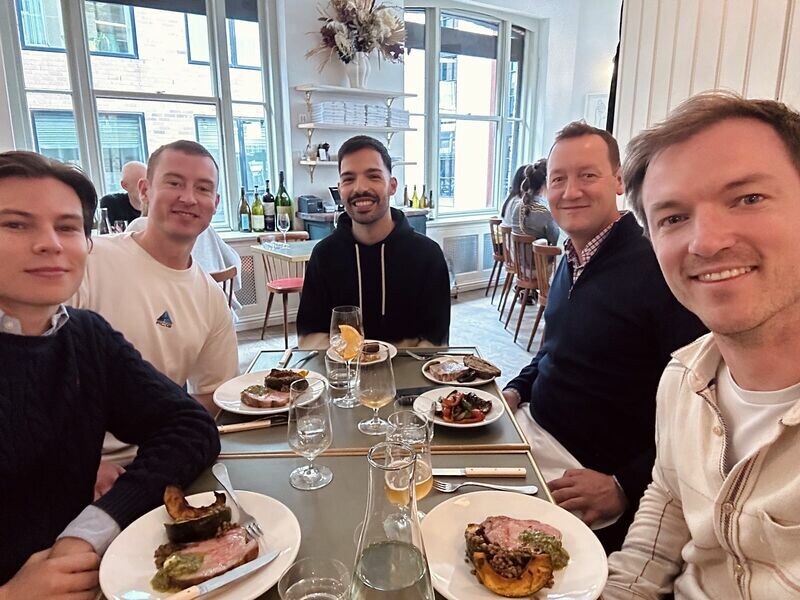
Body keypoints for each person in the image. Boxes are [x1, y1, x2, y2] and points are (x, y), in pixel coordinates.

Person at [605, 93, 800, 598]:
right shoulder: (682, 376)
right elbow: (668, 504)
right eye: (673, 218)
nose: (707, 242)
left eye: (748, 198)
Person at [0, 151, 219, 596]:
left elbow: (191, 426)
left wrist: (90, 530)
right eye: (16, 225)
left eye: (67, 227)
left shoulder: (85, 337)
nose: (50, 244)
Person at [502, 121, 707, 553]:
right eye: (558, 179)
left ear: (618, 180)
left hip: (585, 471)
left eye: (587, 175)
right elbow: (552, 352)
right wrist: (515, 391)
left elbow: (701, 408)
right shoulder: (569, 259)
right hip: (534, 429)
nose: (570, 191)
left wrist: (623, 484)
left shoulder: (658, 267)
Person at [71, 140, 238, 477]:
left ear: (215, 203)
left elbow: (212, 395)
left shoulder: (210, 297)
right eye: (174, 183)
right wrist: (80, 464)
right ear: (145, 190)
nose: (188, 198)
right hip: (72, 462)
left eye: (203, 188)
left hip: (156, 461)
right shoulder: (89, 260)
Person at [297, 135, 451, 348]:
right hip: (343, 369)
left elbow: (435, 343)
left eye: (373, 176)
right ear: (340, 189)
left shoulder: (428, 256)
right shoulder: (324, 256)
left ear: (392, 186)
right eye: (349, 179)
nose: (360, 188)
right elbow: (309, 339)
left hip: (411, 370)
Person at [503, 160, 560, 245]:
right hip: (537, 254)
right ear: (546, 182)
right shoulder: (544, 212)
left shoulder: (518, 206)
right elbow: (554, 241)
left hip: (516, 252)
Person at [99, 161, 146, 225]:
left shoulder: (157, 206)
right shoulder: (111, 204)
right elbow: (106, 229)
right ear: (125, 186)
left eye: (149, 184)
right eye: (140, 185)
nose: (146, 189)